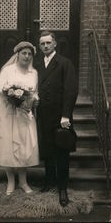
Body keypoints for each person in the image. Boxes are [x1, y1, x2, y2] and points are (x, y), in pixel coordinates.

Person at [0, 41, 39, 196]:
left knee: (24, 149)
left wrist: (32, 100)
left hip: (24, 115)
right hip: (7, 114)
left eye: (29, 54)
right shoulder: (7, 70)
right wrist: (10, 96)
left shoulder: (34, 73)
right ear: (17, 54)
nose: (26, 56)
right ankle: (11, 182)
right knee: (7, 148)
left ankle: (24, 182)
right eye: (23, 53)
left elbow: (34, 93)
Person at [34, 31, 78, 207]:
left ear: (55, 44)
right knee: (47, 150)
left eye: (48, 43)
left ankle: (62, 188)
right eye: (42, 43)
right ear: (39, 46)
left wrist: (66, 115)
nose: (45, 46)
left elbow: (71, 90)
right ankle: (49, 181)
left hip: (61, 117)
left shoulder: (64, 63)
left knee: (62, 153)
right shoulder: (37, 64)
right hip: (43, 114)